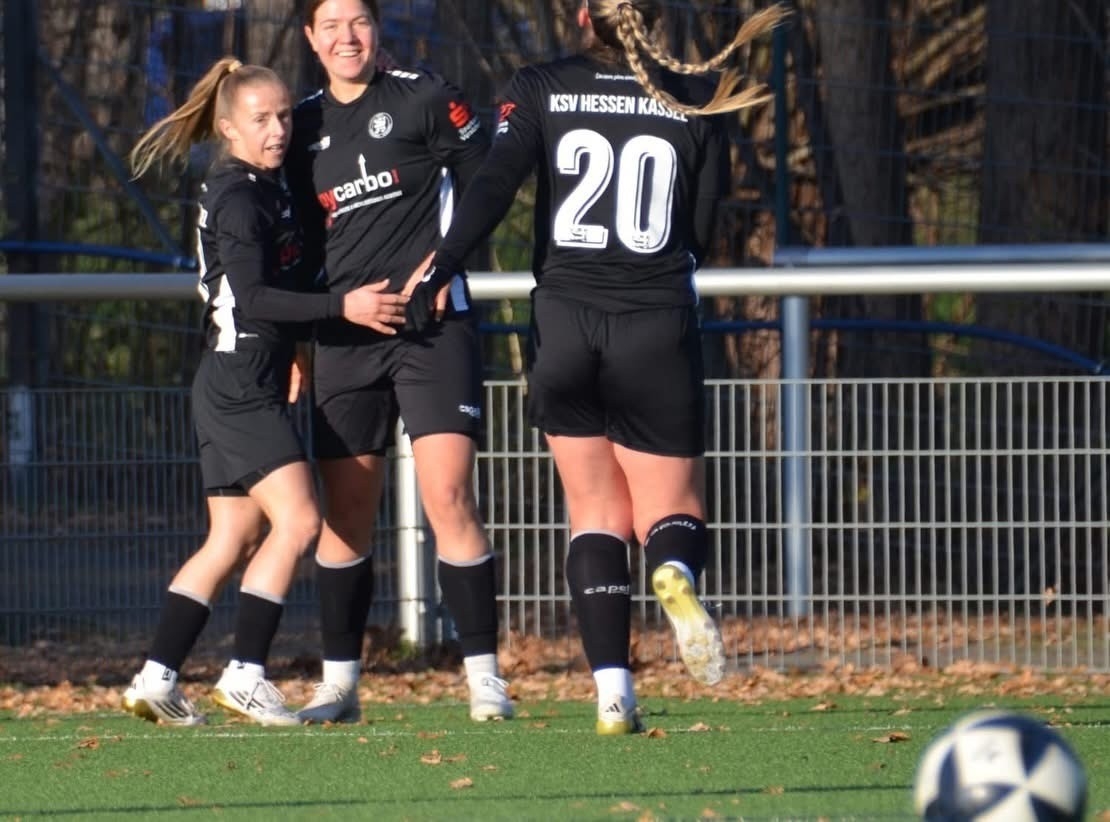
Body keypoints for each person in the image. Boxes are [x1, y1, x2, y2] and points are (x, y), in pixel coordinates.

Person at [412, 0, 788, 734]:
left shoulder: (540, 85)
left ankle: (614, 694)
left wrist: (441, 266)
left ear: (585, 14)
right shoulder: (696, 95)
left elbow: (494, 184)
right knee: (671, 509)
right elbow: (701, 230)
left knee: (593, 514)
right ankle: (674, 571)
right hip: (655, 322)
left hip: (565, 325)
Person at [122, 57, 408, 726]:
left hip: (238, 378)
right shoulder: (240, 195)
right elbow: (253, 298)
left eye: (284, 116)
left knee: (232, 537)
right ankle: (246, 672)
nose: (279, 129)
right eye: (261, 119)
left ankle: (156, 677)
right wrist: (343, 307)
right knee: (300, 521)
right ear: (228, 128)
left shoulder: (265, 186)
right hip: (239, 384)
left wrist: (297, 349)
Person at [284, 0, 513, 724]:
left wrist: (443, 267)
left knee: (448, 495)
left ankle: (485, 679)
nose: (346, 37)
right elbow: (294, 247)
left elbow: (489, 183)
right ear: (310, 38)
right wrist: (301, 339)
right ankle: (340, 688)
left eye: (358, 21)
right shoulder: (299, 126)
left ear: (377, 28)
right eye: (331, 25)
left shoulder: (424, 95)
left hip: (431, 330)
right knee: (347, 515)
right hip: (345, 339)